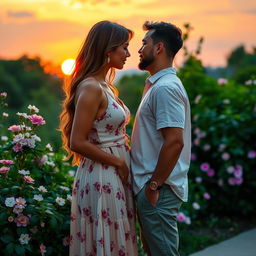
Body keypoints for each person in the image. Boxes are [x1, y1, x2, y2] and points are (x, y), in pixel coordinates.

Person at [60, 21, 138, 256]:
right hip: (103, 175)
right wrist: (119, 162)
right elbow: (78, 142)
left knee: (117, 240)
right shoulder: (91, 87)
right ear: (108, 50)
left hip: (114, 174)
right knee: (107, 242)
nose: (128, 53)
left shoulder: (105, 86)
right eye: (124, 47)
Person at [131, 21, 191, 256]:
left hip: (158, 189)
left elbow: (175, 141)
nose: (139, 49)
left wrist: (153, 186)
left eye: (144, 43)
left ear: (159, 48)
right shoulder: (158, 85)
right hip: (153, 187)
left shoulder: (165, 88)